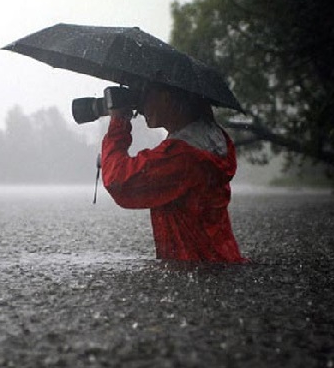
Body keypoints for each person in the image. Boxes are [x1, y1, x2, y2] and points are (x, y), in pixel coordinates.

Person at [101, 82, 247, 262]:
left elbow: (119, 181)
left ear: (166, 96)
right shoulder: (209, 139)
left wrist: (118, 121)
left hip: (195, 272)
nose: (140, 106)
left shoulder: (181, 156)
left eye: (144, 94)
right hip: (219, 262)